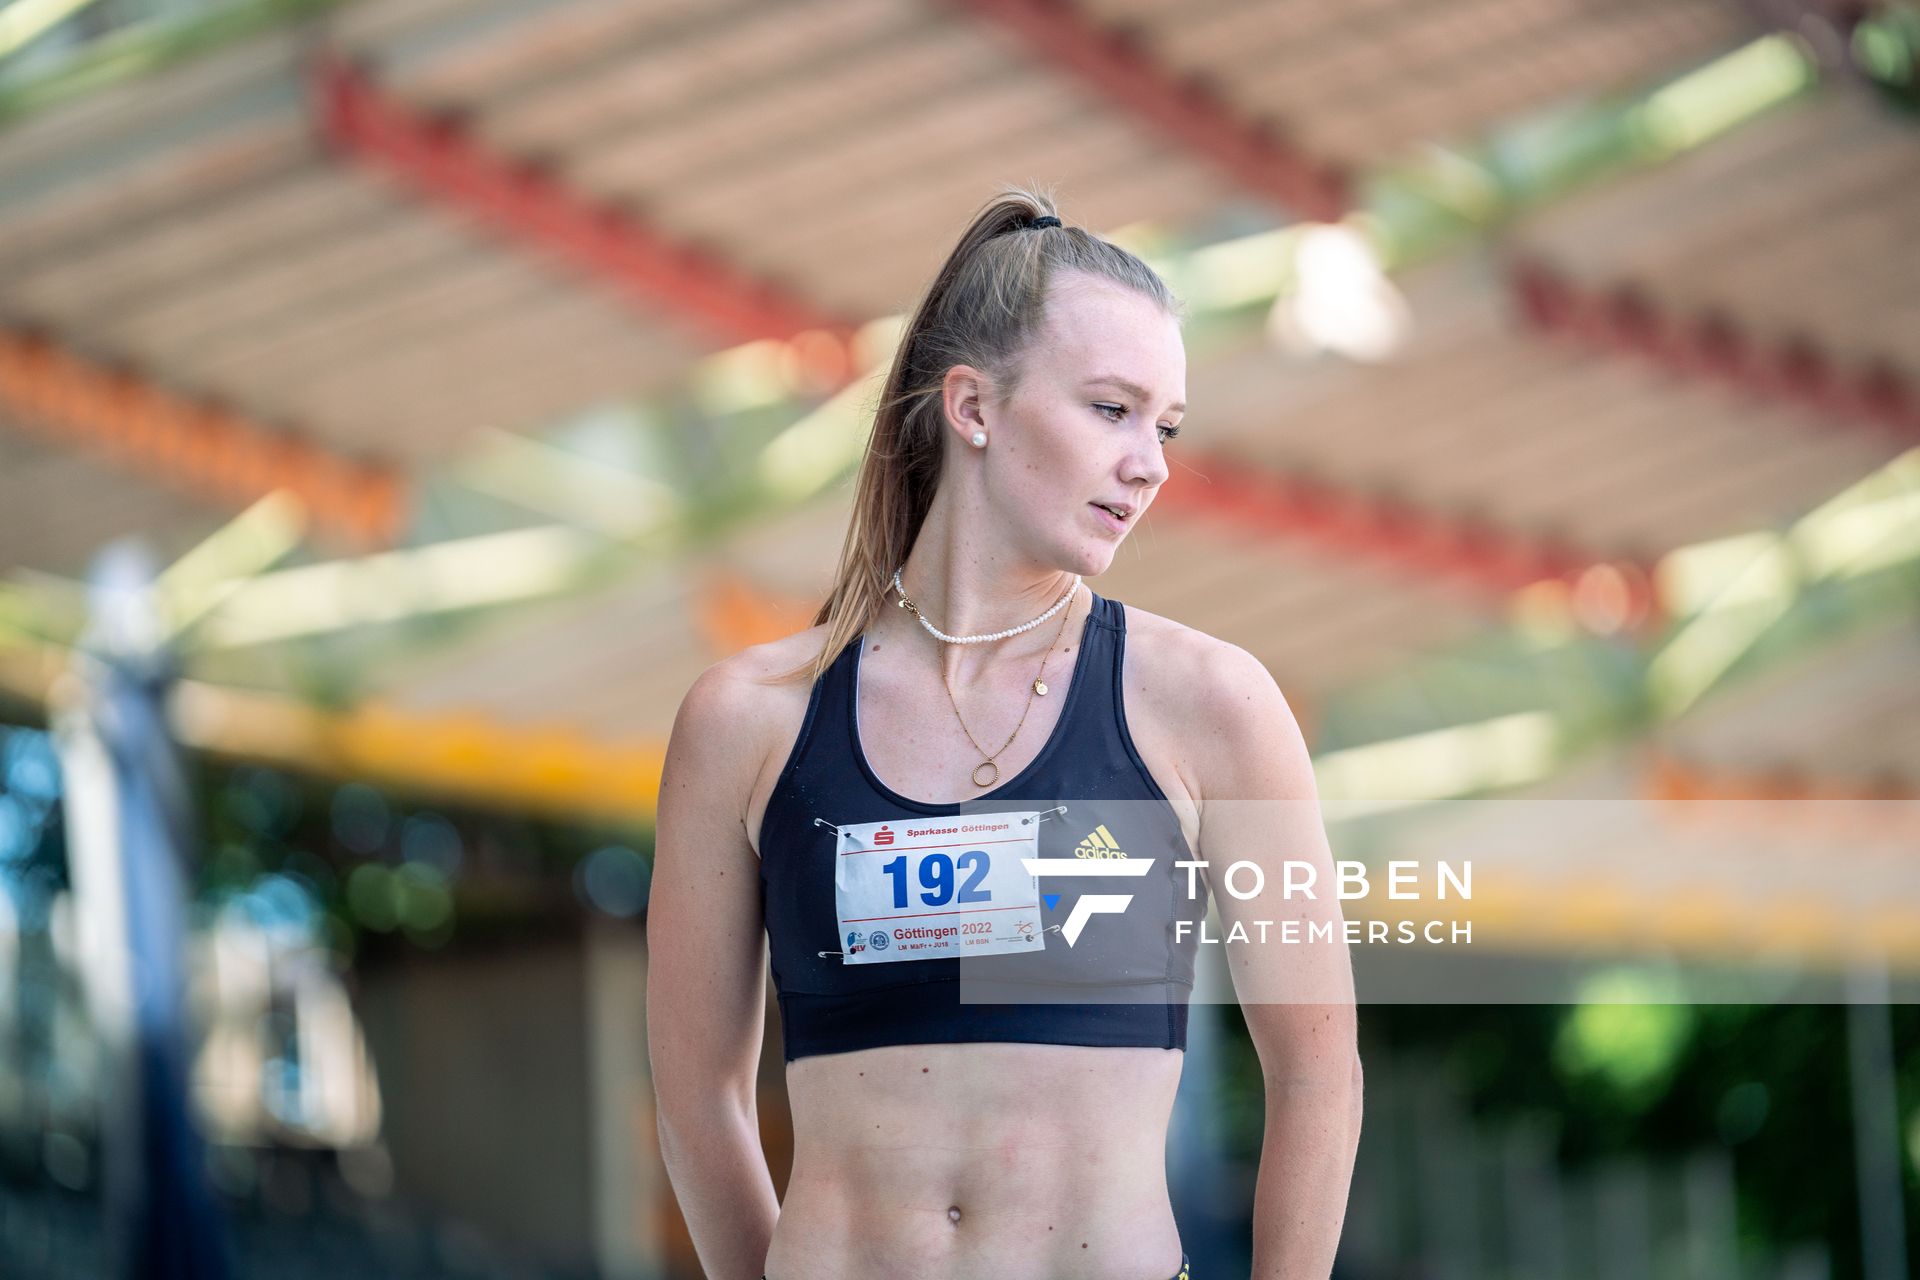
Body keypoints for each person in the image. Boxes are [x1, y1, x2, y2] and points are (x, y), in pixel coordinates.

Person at [647, 186, 1364, 1280]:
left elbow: (1317, 1073)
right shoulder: (748, 720)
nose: (1151, 463)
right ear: (973, 406)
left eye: (1165, 426)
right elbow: (697, 1092)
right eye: (1112, 410)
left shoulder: (1212, 706)